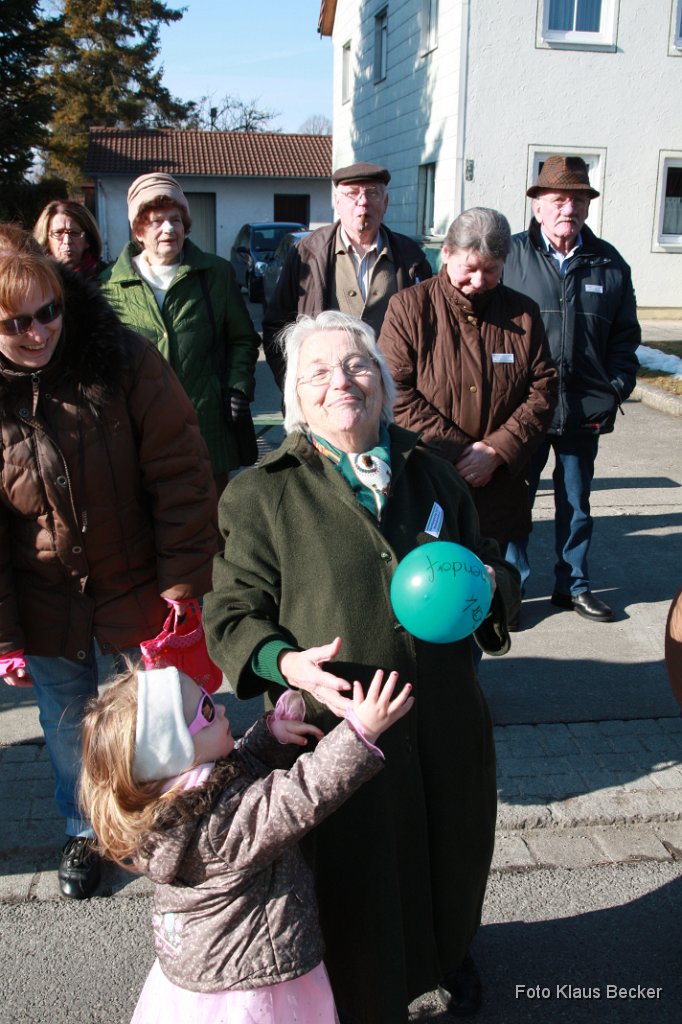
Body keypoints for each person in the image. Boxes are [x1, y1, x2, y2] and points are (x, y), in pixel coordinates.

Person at [203, 310, 521, 1024]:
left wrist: (493, 584)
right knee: (359, 866)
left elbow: (490, 568)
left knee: (452, 842)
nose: (341, 381)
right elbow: (230, 613)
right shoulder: (262, 493)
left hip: (443, 711)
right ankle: (362, 988)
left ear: (382, 383)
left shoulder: (435, 476)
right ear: (295, 397)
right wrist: (286, 664)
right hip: (336, 727)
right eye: (317, 372)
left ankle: (447, 954)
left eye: (356, 365)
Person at [0, 231, 219, 900]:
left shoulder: (122, 357)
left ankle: (169, 818)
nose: (39, 332)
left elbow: (181, 470)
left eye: (48, 312)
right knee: (67, 727)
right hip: (43, 602)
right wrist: (5, 636)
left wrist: (182, 581)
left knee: (154, 714)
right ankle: (85, 828)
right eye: (15, 323)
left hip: (135, 585)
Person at [79, 663, 414, 1024]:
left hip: (207, 968)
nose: (221, 708)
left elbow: (237, 766)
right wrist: (358, 733)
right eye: (207, 711)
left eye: (208, 697)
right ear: (179, 751)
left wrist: (271, 737)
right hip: (251, 982)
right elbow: (297, 797)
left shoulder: (172, 799)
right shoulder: (218, 827)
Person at [379, 207, 557, 574]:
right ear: (446, 253)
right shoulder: (408, 309)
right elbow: (395, 391)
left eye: (491, 270)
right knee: (436, 583)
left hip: (499, 483)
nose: (478, 281)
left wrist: (497, 450)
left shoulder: (523, 313)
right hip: (430, 479)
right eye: (470, 268)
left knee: (496, 587)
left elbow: (543, 389)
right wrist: (461, 453)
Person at [503, 156, 640, 622]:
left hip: (584, 408)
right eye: (559, 200)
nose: (570, 209)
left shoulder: (609, 263)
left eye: (579, 200)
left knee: (576, 504)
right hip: (522, 408)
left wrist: (616, 386)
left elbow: (625, 338)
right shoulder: (511, 257)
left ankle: (573, 586)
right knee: (516, 504)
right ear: (537, 206)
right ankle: (512, 589)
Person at [100, 172, 261, 495]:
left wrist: (238, 386)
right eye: (157, 221)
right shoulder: (109, 285)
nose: (169, 229)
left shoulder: (215, 274)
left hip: (208, 430)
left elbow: (243, 339)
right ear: (138, 230)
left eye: (176, 220)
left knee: (211, 518)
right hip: (141, 433)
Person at [262, 161, 432, 389]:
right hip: (324, 394)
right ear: (337, 202)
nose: (363, 202)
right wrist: (297, 388)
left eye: (372, 193)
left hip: (392, 397)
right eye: (352, 193)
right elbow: (277, 327)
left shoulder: (412, 258)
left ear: (385, 203)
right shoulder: (306, 253)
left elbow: (429, 333)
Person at [33, 199, 107, 279]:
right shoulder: (34, 280)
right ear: (47, 240)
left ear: (88, 240)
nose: (67, 241)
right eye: (58, 233)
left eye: (74, 233)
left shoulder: (107, 279)